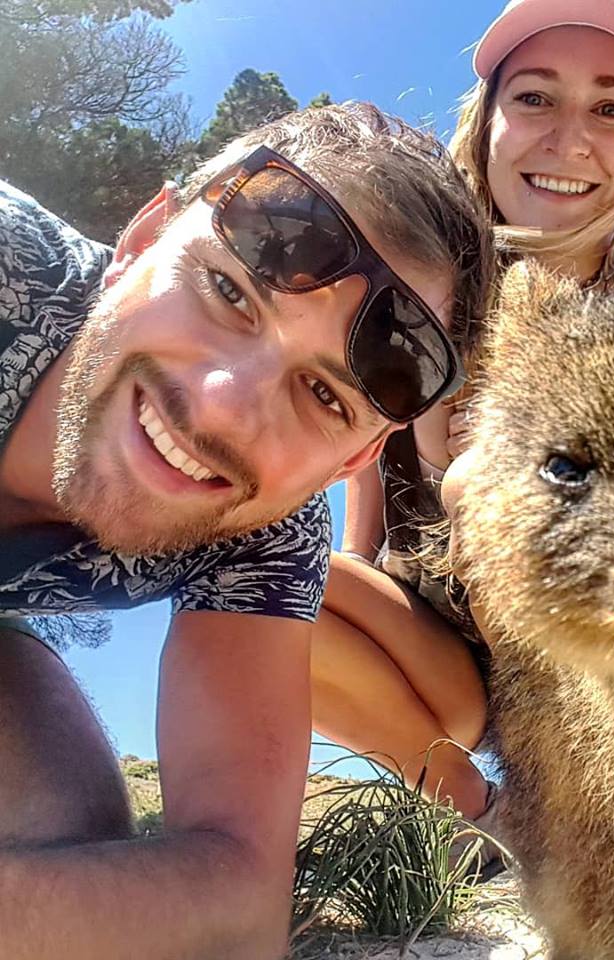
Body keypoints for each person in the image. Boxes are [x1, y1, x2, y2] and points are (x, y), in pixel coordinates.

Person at [0, 101, 492, 960]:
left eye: (325, 395)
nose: (223, 407)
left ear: (353, 460)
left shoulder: (268, 534)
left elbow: (237, 896)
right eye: (228, 291)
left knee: (67, 827)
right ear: (141, 239)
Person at [308, 0, 614, 850]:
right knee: (266, 570)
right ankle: (491, 816)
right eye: (536, 98)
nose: (568, 139)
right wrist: (353, 586)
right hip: (447, 664)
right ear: (487, 123)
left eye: (611, 108)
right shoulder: (409, 295)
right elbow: (367, 495)